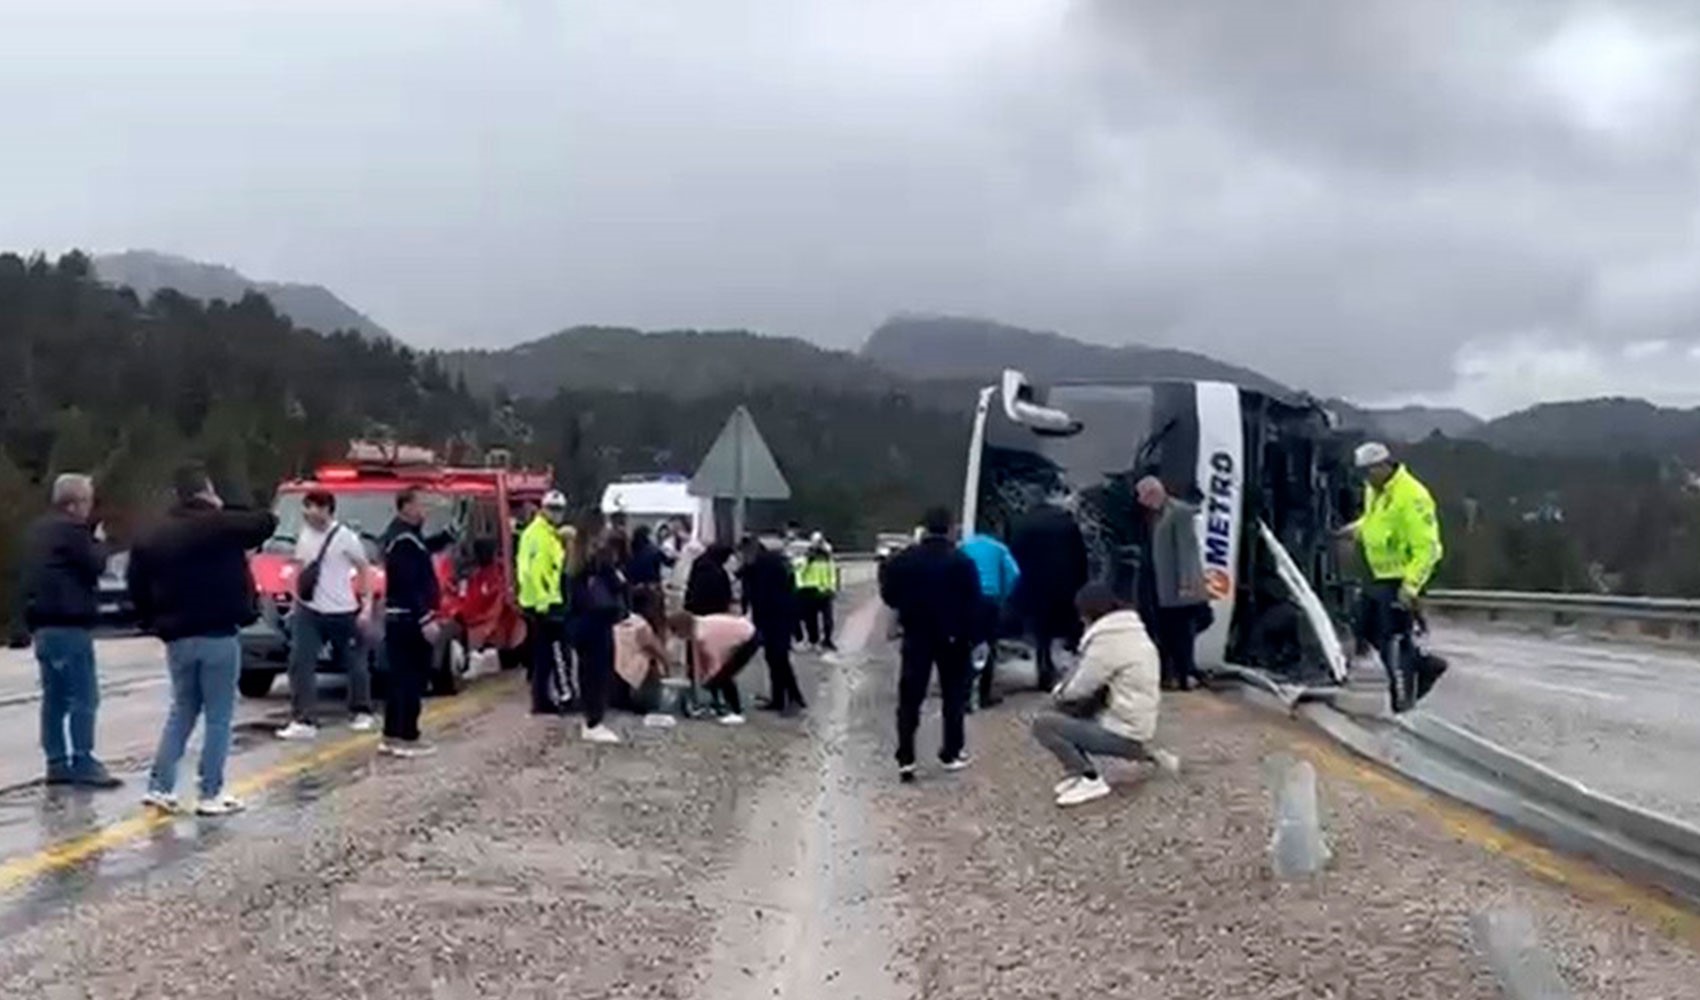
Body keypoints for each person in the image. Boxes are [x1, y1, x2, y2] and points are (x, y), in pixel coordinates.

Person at [129, 464, 278, 815]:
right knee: (219, 715)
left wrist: (152, 620)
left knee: (181, 710)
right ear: (206, 492)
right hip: (218, 631)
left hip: (177, 635)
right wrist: (225, 506)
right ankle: (211, 791)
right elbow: (266, 523)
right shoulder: (219, 525)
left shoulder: (155, 534)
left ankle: (159, 786)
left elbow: (136, 584)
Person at [1031, 583, 1180, 808]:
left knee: (1045, 722)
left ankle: (1089, 778)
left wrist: (1057, 693)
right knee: (1065, 713)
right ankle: (1151, 755)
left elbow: (1078, 689)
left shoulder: (1109, 640)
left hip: (1123, 729)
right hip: (1135, 724)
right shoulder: (1131, 632)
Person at [20, 473, 121, 788]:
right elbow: (95, 564)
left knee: (54, 698)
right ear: (76, 503)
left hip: (43, 625)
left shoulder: (37, 531)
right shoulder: (74, 532)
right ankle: (83, 759)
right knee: (84, 697)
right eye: (88, 501)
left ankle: (56, 761)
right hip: (70, 623)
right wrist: (101, 542)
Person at [879, 506, 981, 783]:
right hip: (953, 636)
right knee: (953, 696)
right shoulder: (962, 562)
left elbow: (888, 594)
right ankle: (950, 752)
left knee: (910, 697)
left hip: (916, 634)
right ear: (950, 529)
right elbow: (974, 601)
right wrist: (970, 634)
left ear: (923, 528)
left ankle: (906, 758)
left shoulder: (904, 560)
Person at [1340, 441, 1444, 714]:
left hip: (1404, 577)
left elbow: (1429, 547)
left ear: (1383, 466)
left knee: (1394, 638)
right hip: (1380, 575)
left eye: (1369, 471)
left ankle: (1404, 699)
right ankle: (1424, 665)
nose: (1366, 478)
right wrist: (1355, 530)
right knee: (1362, 624)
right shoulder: (1375, 491)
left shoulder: (1412, 495)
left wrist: (1411, 586)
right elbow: (1376, 522)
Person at [277, 490, 376, 741]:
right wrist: (294, 599)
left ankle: (361, 710)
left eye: (312, 508)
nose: (307, 513)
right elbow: (301, 566)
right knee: (300, 661)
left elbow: (364, 569)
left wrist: (365, 606)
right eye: (305, 508)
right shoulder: (304, 534)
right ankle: (304, 719)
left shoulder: (345, 538)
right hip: (309, 610)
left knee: (355, 662)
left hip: (342, 610)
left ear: (326, 510)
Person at [378, 486, 455, 757]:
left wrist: (446, 537)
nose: (425, 509)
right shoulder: (403, 542)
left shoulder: (406, 536)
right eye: (420, 504)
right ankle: (406, 735)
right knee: (410, 678)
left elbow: (423, 550)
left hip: (402, 618)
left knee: (400, 677)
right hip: (407, 620)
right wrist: (425, 619)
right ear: (406, 506)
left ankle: (391, 734)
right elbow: (409, 583)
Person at [1136, 477, 1211, 692]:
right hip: (1160, 585)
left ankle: (1183, 675)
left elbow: (1186, 552)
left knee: (1180, 633)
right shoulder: (1156, 515)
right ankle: (1170, 675)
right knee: (1166, 632)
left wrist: (1187, 583)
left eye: (1142, 496)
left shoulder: (1179, 513)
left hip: (1177, 588)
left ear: (1152, 494)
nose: (1141, 502)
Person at [1010, 493, 1090, 690]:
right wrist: (1082, 583)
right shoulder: (1067, 523)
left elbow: (1013, 555)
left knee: (1041, 632)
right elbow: (1079, 557)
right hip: (1064, 585)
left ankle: (1043, 666)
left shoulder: (1022, 523)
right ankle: (1074, 673)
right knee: (1067, 630)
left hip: (1033, 585)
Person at [738, 535, 806, 715]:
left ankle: (794, 698)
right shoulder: (760, 564)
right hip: (772, 618)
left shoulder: (768, 564)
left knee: (779, 658)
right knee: (773, 658)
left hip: (779, 617)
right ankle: (779, 699)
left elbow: (768, 594)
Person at [518, 490, 570, 715]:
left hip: (539, 602)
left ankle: (542, 700)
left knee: (543, 656)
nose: (557, 514)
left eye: (559, 509)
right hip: (545, 604)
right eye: (553, 509)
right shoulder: (540, 534)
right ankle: (560, 696)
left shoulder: (546, 533)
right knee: (554, 653)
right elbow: (537, 572)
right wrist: (544, 604)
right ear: (543, 508)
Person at [571, 541, 627, 743]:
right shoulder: (600, 561)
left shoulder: (573, 562)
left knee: (586, 671)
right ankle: (594, 721)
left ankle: (590, 718)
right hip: (598, 620)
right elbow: (618, 585)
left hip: (580, 621)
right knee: (598, 672)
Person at [958, 529, 1020, 710]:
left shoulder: (965, 547)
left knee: (965, 644)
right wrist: (1004, 595)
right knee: (987, 646)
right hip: (990, 602)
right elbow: (1014, 574)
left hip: (967, 601)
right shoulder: (999, 548)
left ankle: (963, 694)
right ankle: (984, 695)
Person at [668, 608, 761, 726]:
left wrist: (708, 678)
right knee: (717, 677)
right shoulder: (698, 625)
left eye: (676, 631)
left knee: (725, 674)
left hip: (749, 637)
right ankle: (719, 704)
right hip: (742, 630)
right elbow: (701, 658)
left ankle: (736, 711)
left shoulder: (704, 636)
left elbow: (716, 661)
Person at [612, 588, 671, 715]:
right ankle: (645, 699)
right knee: (649, 657)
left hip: (612, 676)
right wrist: (667, 668)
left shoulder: (621, 622)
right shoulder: (642, 627)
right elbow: (661, 652)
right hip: (630, 681)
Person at [794, 533, 839, 653]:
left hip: (824, 591)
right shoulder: (807, 557)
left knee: (828, 620)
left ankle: (827, 640)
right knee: (811, 619)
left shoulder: (827, 557)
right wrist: (800, 587)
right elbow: (799, 572)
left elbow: (832, 573)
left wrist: (832, 588)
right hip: (809, 591)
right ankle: (814, 641)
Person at [685, 543, 735, 615]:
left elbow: (691, 585)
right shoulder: (717, 572)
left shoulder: (698, 565)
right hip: (715, 610)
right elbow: (725, 592)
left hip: (698, 607)